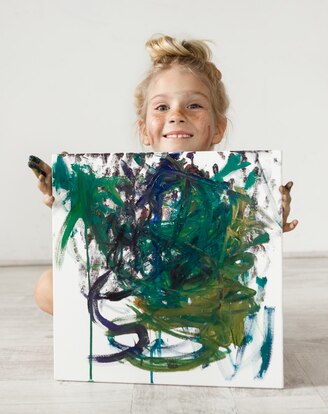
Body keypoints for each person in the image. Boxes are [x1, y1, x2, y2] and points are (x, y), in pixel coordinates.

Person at [33, 35, 298, 315]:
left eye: (194, 105)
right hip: (138, 291)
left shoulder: (235, 186)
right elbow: (102, 244)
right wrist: (70, 195)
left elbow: (244, 253)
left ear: (218, 128)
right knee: (47, 287)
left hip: (204, 293)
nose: (177, 115)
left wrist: (267, 217)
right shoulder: (122, 186)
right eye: (162, 107)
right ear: (145, 129)